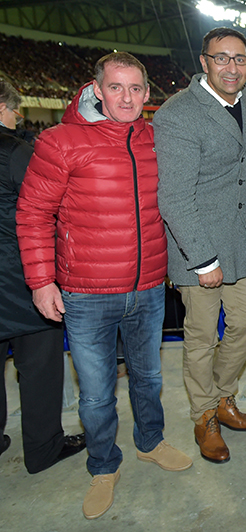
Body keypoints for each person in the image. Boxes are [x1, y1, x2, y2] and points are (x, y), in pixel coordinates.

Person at [16, 52, 192, 520]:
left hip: (150, 285)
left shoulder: (156, 139)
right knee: (95, 394)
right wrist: (41, 281)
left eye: (136, 88)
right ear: (97, 90)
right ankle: (102, 464)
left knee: (150, 379)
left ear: (148, 93)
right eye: (116, 87)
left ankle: (150, 441)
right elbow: (34, 214)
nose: (127, 97)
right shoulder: (61, 141)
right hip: (87, 293)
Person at [153, 28, 246, 465]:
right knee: (201, 338)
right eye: (222, 58)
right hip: (197, 246)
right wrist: (203, 260)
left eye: (239, 59)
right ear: (204, 62)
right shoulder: (178, 114)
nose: (232, 67)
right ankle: (204, 417)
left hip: (241, 240)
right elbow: (175, 198)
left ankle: (221, 396)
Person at [0, 80, 85, 472]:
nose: (16, 118)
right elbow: (43, 209)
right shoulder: (16, 151)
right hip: (20, 280)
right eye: (13, 110)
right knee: (39, 369)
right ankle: (43, 446)